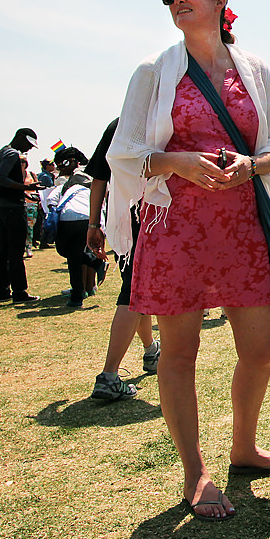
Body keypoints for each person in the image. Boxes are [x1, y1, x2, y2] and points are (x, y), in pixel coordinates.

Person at [107, 0, 270, 522]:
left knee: (259, 347)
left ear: (220, 0)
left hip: (243, 222)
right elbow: (125, 152)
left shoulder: (254, 68)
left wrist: (251, 164)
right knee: (181, 354)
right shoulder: (153, 70)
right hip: (177, 226)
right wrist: (178, 162)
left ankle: (244, 447)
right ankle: (195, 471)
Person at [87, 118, 159, 401]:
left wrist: (94, 224)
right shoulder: (164, 116)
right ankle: (108, 375)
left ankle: (151, 350)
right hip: (156, 214)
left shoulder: (121, 122)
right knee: (133, 293)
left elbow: (99, 177)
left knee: (138, 290)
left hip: (124, 217)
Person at [46, 147, 104, 308]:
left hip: (72, 217)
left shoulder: (78, 177)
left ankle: (78, 295)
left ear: (72, 161)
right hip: (88, 216)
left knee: (72, 257)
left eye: (62, 164)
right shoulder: (86, 173)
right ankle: (89, 276)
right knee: (78, 253)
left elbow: (53, 198)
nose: (60, 168)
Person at [0, 128, 41, 303]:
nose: (29, 148)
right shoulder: (13, 154)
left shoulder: (2, 151)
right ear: (21, 138)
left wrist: (26, 193)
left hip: (3, 206)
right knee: (16, 251)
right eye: (28, 144)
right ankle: (20, 292)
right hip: (14, 209)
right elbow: (0, 178)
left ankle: (3, 290)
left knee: (3, 250)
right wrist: (25, 188)